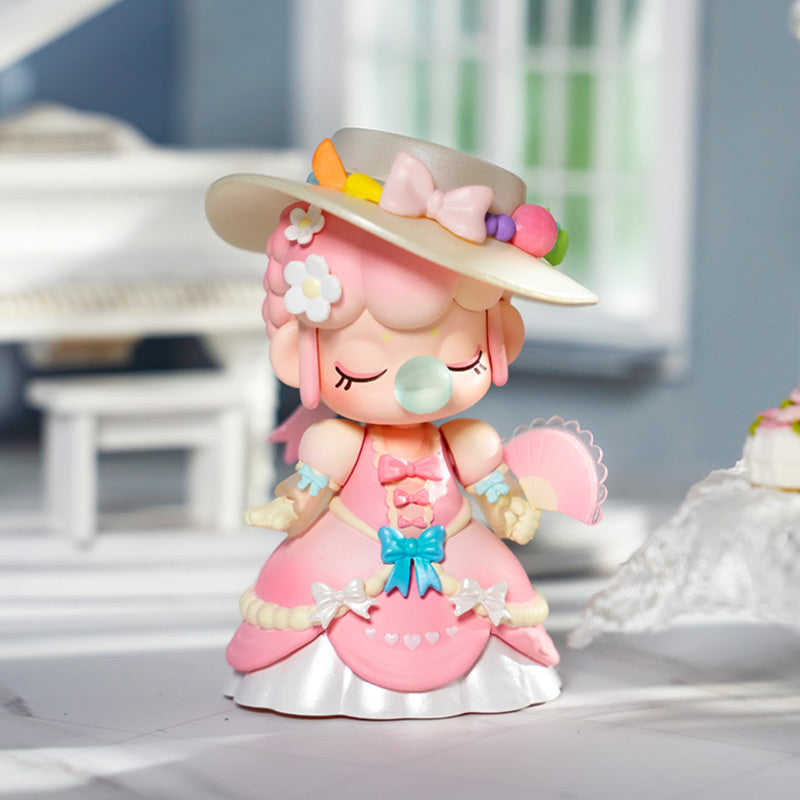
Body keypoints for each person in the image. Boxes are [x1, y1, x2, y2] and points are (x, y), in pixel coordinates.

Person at [205, 128, 601, 718]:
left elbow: (493, 487)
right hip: (347, 550)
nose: (423, 383)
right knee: (314, 584)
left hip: (456, 550)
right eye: (364, 364)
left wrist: (509, 507)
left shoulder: (468, 439)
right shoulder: (336, 439)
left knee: (491, 591)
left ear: (499, 343)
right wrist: (291, 508)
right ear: (297, 350)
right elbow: (310, 490)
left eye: (459, 357)